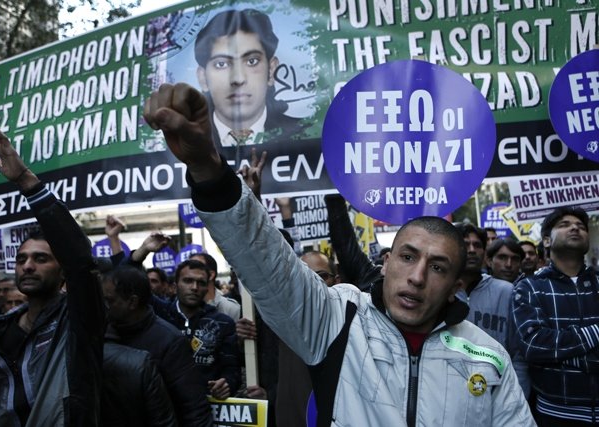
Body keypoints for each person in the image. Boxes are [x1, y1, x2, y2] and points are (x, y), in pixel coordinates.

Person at [143, 82, 534, 425]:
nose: (417, 277)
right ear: (386, 262)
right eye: (408, 257)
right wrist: (207, 165)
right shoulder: (339, 318)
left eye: (438, 267)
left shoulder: (487, 357)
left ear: (454, 286)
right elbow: (264, 259)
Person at [0, 118, 105, 426]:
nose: (28, 265)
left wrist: (26, 182)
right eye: (21, 260)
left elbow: (81, 261)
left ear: (63, 271)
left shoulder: (78, 321)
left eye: (41, 258)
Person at [513, 207, 599, 425]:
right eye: (564, 225)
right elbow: (534, 345)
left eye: (581, 226)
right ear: (547, 241)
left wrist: (562, 354)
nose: (575, 228)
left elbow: (548, 348)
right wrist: (596, 333)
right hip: (556, 414)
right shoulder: (529, 287)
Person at [101, 265, 213, 427]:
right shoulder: (101, 331)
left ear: (132, 302)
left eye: (109, 300)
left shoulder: (169, 341)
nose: (102, 306)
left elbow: (193, 408)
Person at [194, 8, 303, 147]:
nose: (238, 79)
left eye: (252, 61)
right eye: (221, 64)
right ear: (203, 78)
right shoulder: (184, 144)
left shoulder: (306, 133)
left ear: (271, 70)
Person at [455, 223, 530, 397]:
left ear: (485, 254)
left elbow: (519, 354)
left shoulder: (506, 291)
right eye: (465, 245)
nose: (472, 250)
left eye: (478, 245)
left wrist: (516, 397)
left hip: (498, 392)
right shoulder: (439, 291)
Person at [168, 259, 240, 400]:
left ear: (207, 288)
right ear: (175, 286)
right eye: (188, 281)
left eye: (201, 283)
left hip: (206, 407)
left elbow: (232, 369)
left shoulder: (223, 323)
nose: (194, 287)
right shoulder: (161, 316)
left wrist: (226, 385)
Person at [190, 252, 241, 320]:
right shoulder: (180, 308)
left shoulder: (230, 308)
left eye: (196, 268)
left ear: (211, 275)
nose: (189, 273)